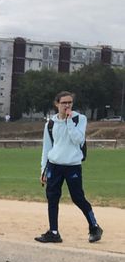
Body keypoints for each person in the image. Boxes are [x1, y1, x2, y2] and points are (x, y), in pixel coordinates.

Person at [36, 91, 102, 244]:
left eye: (70, 102)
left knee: (78, 198)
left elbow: (78, 139)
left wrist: (69, 121)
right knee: (52, 198)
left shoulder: (80, 119)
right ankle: (54, 232)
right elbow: (47, 148)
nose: (67, 105)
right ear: (56, 104)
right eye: (64, 102)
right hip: (54, 165)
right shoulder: (50, 124)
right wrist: (43, 169)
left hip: (72, 166)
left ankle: (94, 227)